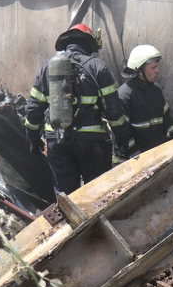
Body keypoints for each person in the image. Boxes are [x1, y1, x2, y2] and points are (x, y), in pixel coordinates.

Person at [24, 23, 130, 195]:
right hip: (91, 141)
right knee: (97, 193)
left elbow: (33, 110)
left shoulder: (46, 68)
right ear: (88, 44)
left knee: (66, 196)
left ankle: (69, 222)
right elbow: (113, 110)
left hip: (57, 141)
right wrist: (122, 136)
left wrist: (34, 139)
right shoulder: (98, 67)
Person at [114, 45, 173, 164]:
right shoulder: (124, 96)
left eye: (157, 66)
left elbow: (168, 123)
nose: (158, 70)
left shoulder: (156, 92)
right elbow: (121, 132)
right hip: (129, 163)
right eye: (153, 67)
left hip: (154, 160)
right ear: (140, 71)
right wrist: (135, 155)